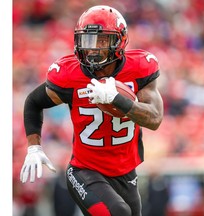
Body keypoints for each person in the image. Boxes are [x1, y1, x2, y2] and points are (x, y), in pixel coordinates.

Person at [19, 5, 163, 216]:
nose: (93, 48)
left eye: (101, 40)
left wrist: (117, 100)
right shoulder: (70, 75)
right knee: (119, 213)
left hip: (125, 172)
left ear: (119, 40)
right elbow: (33, 102)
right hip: (85, 171)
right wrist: (34, 147)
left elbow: (155, 119)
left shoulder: (140, 69)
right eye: (87, 40)